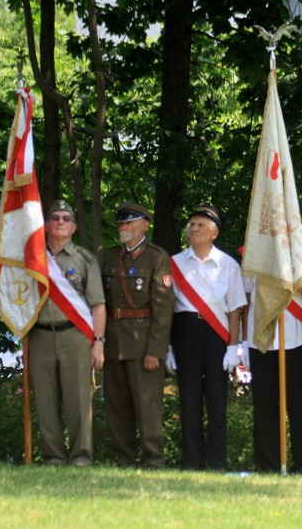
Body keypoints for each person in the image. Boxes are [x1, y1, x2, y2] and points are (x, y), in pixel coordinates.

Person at [166, 204, 246, 470]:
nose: (194, 228)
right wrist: (168, 347)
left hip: (216, 337)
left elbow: (235, 310)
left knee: (216, 399)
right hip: (185, 331)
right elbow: (166, 309)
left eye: (201, 225)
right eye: (192, 225)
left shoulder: (228, 265)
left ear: (214, 233)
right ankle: (191, 462)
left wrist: (232, 347)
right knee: (188, 399)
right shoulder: (174, 263)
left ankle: (217, 463)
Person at [29, 200, 106, 466]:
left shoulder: (84, 259)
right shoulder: (32, 258)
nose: (60, 222)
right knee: (45, 399)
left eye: (66, 218)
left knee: (79, 400)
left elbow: (98, 305)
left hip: (74, 336)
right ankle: (52, 457)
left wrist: (98, 343)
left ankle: (81, 458)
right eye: (55, 218)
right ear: (46, 225)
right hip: (39, 335)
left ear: (73, 227)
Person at [101, 202, 174, 469]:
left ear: (145, 225)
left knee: (147, 407)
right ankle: (123, 459)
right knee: (116, 407)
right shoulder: (109, 257)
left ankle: (154, 460)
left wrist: (155, 350)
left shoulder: (156, 257)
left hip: (144, 345)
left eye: (129, 222)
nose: (123, 226)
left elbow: (163, 309)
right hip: (113, 342)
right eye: (121, 222)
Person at [243, 230, 302, 474]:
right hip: (261, 335)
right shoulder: (256, 236)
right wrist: (243, 340)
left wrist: (284, 261)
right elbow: (246, 294)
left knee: (299, 407)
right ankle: (268, 466)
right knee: (264, 407)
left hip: (295, 336)